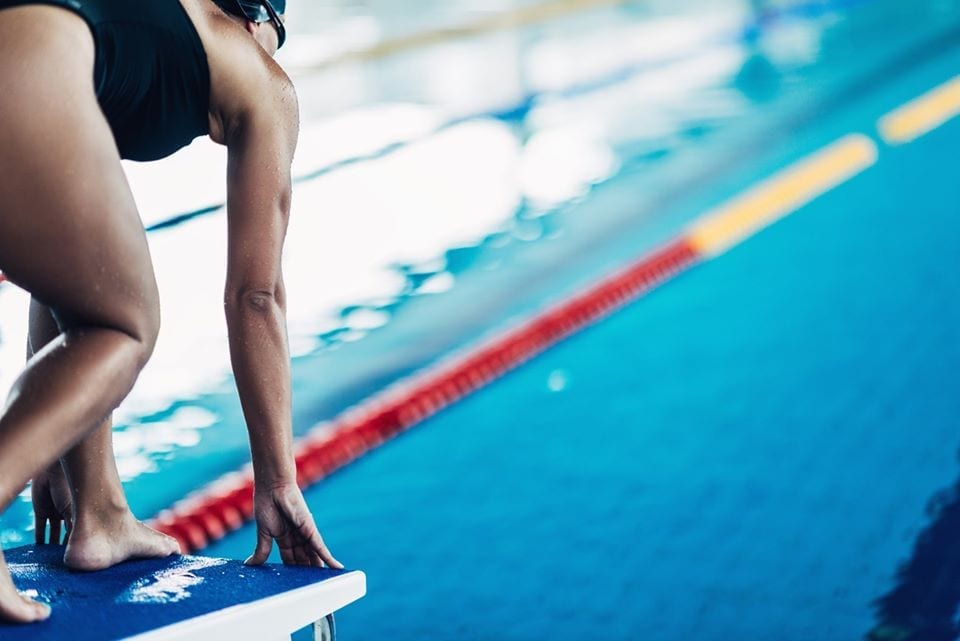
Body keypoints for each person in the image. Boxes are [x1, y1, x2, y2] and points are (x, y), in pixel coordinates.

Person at [0, 0, 342, 624]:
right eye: (274, 39)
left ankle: (101, 515)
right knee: (127, 323)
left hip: (21, 52)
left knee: (100, 305)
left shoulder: (142, 33)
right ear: (258, 21)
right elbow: (255, 297)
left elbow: (67, 270)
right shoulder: (259, 77)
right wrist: (278, 480)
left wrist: (50, 446)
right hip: (22, 60)